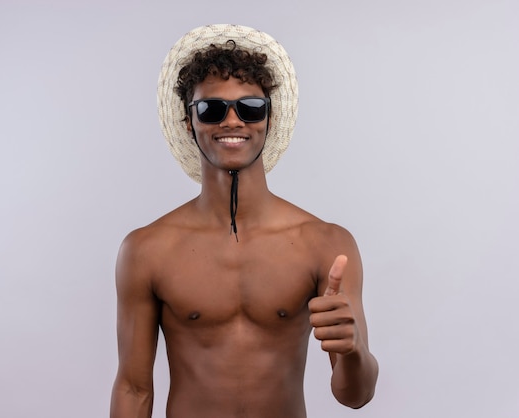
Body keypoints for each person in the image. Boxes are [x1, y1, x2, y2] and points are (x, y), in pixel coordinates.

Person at [110, 24, 378, 418]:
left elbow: (354, 395)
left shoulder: (325, 243)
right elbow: (133, 389)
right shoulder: (146, 250)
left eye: (250, 108)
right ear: (189, 122)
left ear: (268, 119)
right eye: (211, 108)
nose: (232, 121)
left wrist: (352, 349)